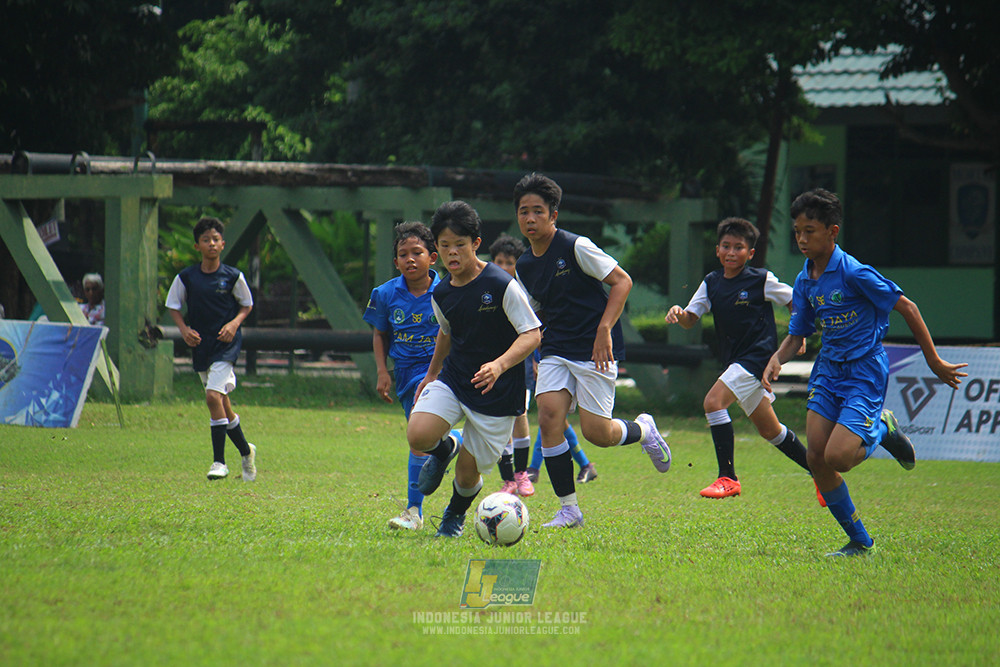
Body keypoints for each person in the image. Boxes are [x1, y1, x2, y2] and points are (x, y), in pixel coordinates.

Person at [763, 189, 967, 556]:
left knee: (838, 457)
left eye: (810, 230)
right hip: (828, 370)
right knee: (815, 458)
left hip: (864, 371)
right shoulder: (806, 278)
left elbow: (909, 308)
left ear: (832, 231)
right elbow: (799, 333)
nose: (802, 239)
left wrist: (934, 361)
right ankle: (860, 541)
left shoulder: (855, 273)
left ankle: (882, 426)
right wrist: (778, 357)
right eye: (797, 231)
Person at [513, 173, 671, 529]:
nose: (530, 219)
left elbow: (622, 281)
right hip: (556, 347)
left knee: (597, 434)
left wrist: (604, 329)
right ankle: (569, 509)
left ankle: (643, 430)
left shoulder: (575, 246)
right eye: (524, 212)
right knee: (550, 416)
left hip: (595, 348)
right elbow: (535, 311)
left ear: (554, 215)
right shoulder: (524, 265)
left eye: (538, 211)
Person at [407, 201, 541, 538]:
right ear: (436, 249)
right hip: (455, 379)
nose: (453, 253)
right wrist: (432, 375)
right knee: (418, 433)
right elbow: (447, 331)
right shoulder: (441, 293)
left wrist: (499, 365)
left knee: (467, 475)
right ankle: (444, 448)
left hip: (497, 396)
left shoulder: (500, 284)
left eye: (460, 245)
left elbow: (532, 333)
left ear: (476, 244)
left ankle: (454, 514)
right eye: (445, 245)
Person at [666, 217, 812, 500]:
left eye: (739, 248)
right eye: (726, 246)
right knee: (771, 430)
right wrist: (678, 312)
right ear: (718, 250)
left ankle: (728, 478)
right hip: (735, 361)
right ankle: (819, 471)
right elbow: (690, 319)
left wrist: (799, 333)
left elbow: (797, 302)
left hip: (757, 357)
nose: (732, 252)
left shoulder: (761, 280)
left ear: (750, 253)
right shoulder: (712, 283)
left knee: (712, 402)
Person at [489, 233, 596, 493]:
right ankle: (578, 465)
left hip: (528, 364)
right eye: (499, 262)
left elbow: (536, 329)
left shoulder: (524, 290)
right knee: (550, 418)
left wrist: (538, 360)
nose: (504, 267)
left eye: (509, 262)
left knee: (531, 416)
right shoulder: (488, 290)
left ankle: (526, 472)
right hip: (495, 364)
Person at [166, 216, 257, 482]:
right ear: (197, 246)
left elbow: (246, 304)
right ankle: (246, 451)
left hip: (226, 344)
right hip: (201, 344)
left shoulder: (232, 276)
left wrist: (234, 324)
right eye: (206, 240)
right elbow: (173, 306)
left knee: (211, 397)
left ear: (223, 244)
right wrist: (184, 330)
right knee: (222, 403)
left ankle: (219, 462)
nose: (212, 244)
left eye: (216, 239)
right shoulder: (187, 278)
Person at [363, 221, 441, 531]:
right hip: (407, 374)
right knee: (419, 440)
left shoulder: (446, 291)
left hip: (441, 372)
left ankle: (413, 510)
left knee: (419, 441)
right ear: (395, 262)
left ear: (432, 257)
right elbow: (380, 334)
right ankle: (416, 511)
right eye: (403, 254)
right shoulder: (384, 294)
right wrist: (383, 371)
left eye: (417, 252)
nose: (410, 259)